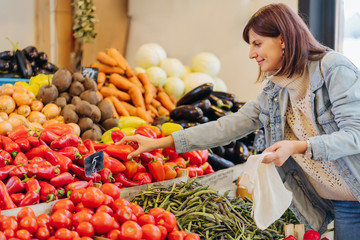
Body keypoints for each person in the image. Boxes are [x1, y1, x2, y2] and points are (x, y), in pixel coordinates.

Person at [118, 3, 360, 239]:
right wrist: (159, 142)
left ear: (283, 39)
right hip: (343, 203)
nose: (251, 54)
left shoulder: (333, 69)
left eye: (257, 43)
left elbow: (355, 136)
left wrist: (299, 146)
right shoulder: (276, 90)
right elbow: (228, 126)